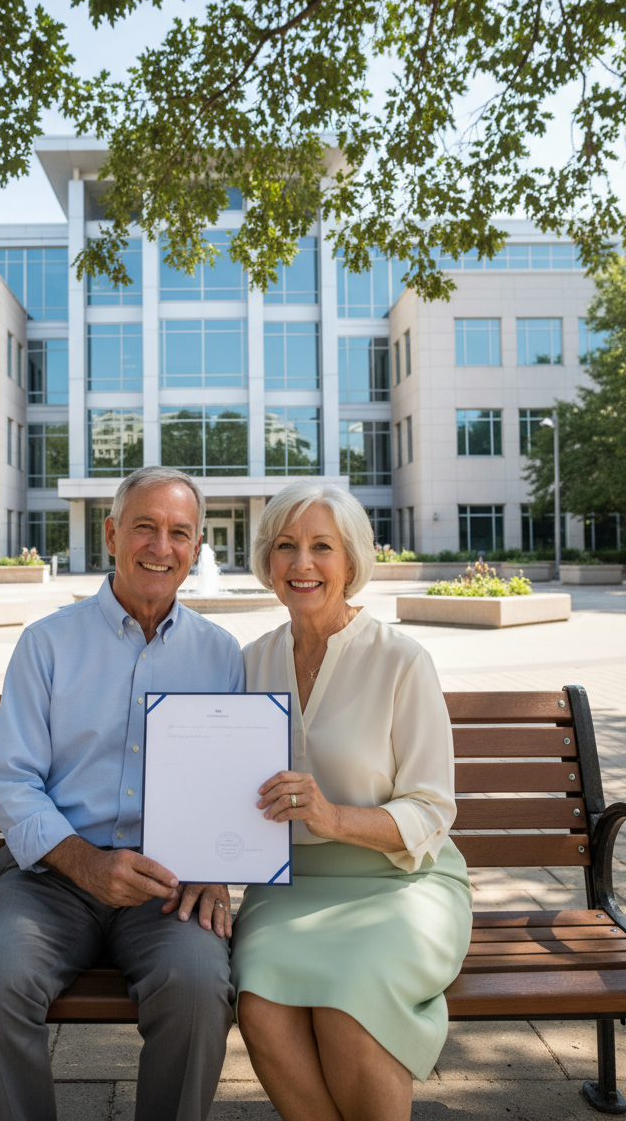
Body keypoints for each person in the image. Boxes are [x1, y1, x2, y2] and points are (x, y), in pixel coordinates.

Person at [0, 466, 244, 1121]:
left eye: (179, 533)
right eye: (144, 527)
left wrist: (218, 868)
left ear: (197, 548)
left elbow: (232, 780)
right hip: (52, 880)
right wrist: (85, 862)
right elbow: (11, 776)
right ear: (112, 534)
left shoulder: (221, 655)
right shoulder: (47, 644)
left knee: (200, 989)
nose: (160, 547)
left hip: (169, 885)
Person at [231, 478, 472, 1121]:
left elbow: (431, 809)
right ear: (267, 562)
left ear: (352, 560)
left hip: (401, 882)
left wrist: (332, 816)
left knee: (349, 1001)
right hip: (286, 888)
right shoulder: (248, 663)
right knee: (258, 1002)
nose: (301, 564)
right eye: (285, 546)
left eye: (321, 547)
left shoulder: (402, 660)